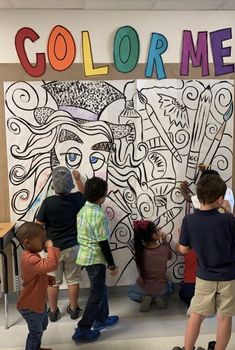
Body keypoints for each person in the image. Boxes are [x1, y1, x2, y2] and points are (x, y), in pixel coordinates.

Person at [176, 174, 235, 350]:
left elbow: (184, 249)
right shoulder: (228, 219)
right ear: (220, 199)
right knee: (224, 317)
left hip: (204, 276)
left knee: (197, 314)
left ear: (198, 196)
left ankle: (188, 348)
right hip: (228, 276)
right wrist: (229, 210)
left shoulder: (189, 220)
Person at [72, 176, 119, 343]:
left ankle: (102, 318)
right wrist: (112, 264)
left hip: (86, 256)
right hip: (95, 259)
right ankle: (82, 330)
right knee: (96, 294)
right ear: (102, 197)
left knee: (100, 289)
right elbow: (103, 243)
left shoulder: (83, 210)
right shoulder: (98, 215)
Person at [36, 166, 85, 322]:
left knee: (52, 282)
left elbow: (38, 225)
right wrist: (78, 179)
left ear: (53, 186)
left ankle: (53, 311)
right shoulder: (77, 199)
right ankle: (73, 308)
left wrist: (44, 243)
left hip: (53, 249)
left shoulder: (48, 203)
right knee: (73, 280)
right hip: (74, 247)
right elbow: (86, 196)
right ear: (71, 185)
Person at [16, 222, 60, 350]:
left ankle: (36, 347)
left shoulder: (33, 255)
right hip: (30, 305)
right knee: (36, 333)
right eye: (41, 240)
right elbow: (52, 265)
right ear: (27, 242)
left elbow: (35, 275)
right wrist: (50, 247)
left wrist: (47, 278)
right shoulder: (29, 259)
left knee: (42, 327)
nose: (44, 242)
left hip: (37, 302)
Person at [128, 220, 172, 312]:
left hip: (143, 288)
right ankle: (158, 298)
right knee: (170, 286)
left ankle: (145, 298)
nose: (159, 231)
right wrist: (164, 241)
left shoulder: (140, 252)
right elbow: (169, 256)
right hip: (161, 289)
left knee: (131, 293)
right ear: (154, 235)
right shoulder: (164, 249)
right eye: (158, 230)